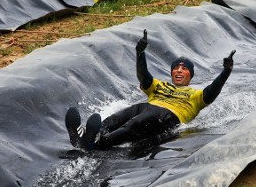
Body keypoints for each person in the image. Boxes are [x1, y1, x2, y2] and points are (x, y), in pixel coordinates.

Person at [65, 29, 235, 150]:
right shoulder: (160, 86)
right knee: (118, 118)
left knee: (135, 124)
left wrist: (225, 72)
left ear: (190, 75)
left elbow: (212, 91)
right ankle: (86, 137)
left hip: (168, 116)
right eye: (176, 68)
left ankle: (100, 143)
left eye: (184, 69)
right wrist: (140, 53)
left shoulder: (196, 95)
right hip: (148, 107)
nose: (179, 70)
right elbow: (143, 76)